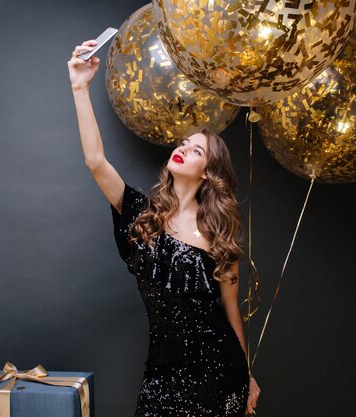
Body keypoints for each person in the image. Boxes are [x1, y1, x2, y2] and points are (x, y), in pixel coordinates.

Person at [68, 39, 261, 416]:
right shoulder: (143, 215)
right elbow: (95, 161)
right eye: (185, 143)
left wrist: (248, 375)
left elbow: (230, 312)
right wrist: (79, 86)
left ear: (207, 173)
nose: (184, 149)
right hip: (162, 380)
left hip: (221, 377)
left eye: (196, 150)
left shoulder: (221, 242)